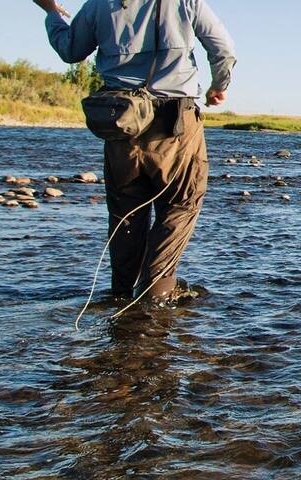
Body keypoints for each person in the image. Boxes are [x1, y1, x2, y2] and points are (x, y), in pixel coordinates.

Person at [34, 0, 235, 303]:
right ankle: (155, 293)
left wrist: (51, 12)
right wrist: (218, 86)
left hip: (121, 126)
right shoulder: (185, 2)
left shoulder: (98, 5)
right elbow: (223, 50)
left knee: (126, 214)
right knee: (180, 205)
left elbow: (70, 50)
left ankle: (120, 296)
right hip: (176, 125)